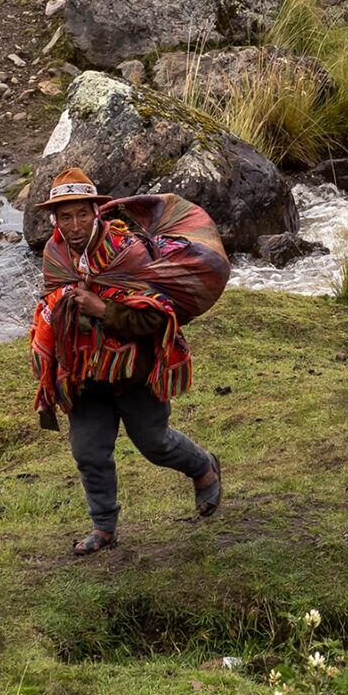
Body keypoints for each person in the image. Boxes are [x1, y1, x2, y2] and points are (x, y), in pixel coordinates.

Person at [31, 169, 227, 554]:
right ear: (55, 219)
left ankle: (204, 468)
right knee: (88, 452)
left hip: (133, 371)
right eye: (64, 217)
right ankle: (104, 529)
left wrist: (103, 309)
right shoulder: (54, 254)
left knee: (154, 443)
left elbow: (155, 317)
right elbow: (54, 299)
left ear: (96, 212)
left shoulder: (128, 251)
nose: (73, 226)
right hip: (83, 373)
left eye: (81, 215)